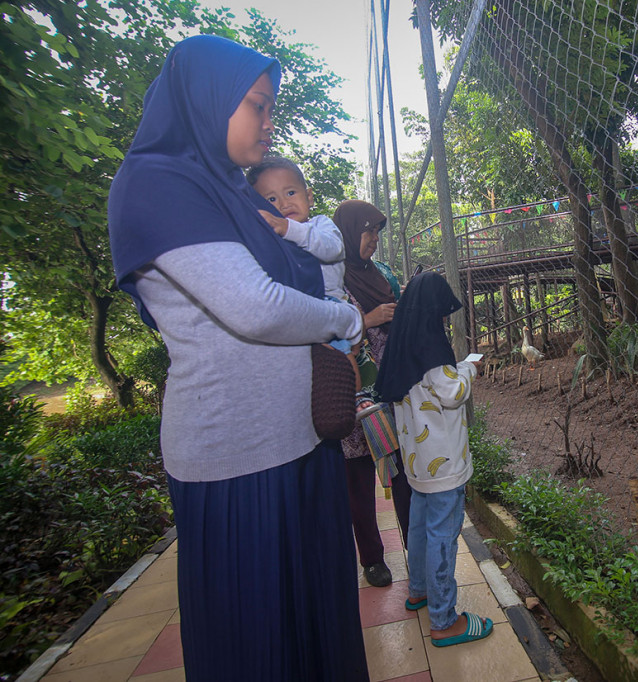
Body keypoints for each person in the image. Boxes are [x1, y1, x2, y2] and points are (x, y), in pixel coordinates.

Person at [107, 35, 369, 681]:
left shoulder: (236, 196)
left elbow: (306, 268)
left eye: (272, 106)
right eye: (257, 105)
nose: (269, 120)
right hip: (240, 462)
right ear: (206, 102)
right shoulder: (154, 183)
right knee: (259, 647)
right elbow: (256, 305)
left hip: (302, 440)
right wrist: (345, 318)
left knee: (316, 631)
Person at [375, 272, 494, 648]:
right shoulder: (432, 346)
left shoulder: (402, 345)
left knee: (420, 526)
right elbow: (452, 392)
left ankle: (419, 590)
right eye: (442, 314)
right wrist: (469, 369)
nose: (444, 321)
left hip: (417, 462)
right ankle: (444, 620)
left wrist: (455, 369)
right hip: (444, 464)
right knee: (444, 537)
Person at [332, 199, 413, 587]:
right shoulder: (329, 278)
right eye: (368, 231)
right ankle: (372, 559)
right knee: (359, 479)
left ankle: (416, 544)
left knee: (402, 472)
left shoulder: (383, 274)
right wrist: (366, 320)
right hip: (352, 390)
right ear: (349, 232)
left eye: (378, 231)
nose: (374, 239)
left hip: (389, 387)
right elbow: (323, 331)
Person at [246, 157, 348, 303]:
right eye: (272, 199)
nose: (285, 204)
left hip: (329, 301)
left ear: (309, 197)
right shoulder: (272, 238)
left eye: (291, 193)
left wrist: (289, 228)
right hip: (292, 303)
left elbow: (333, 250)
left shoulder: (320, 224)